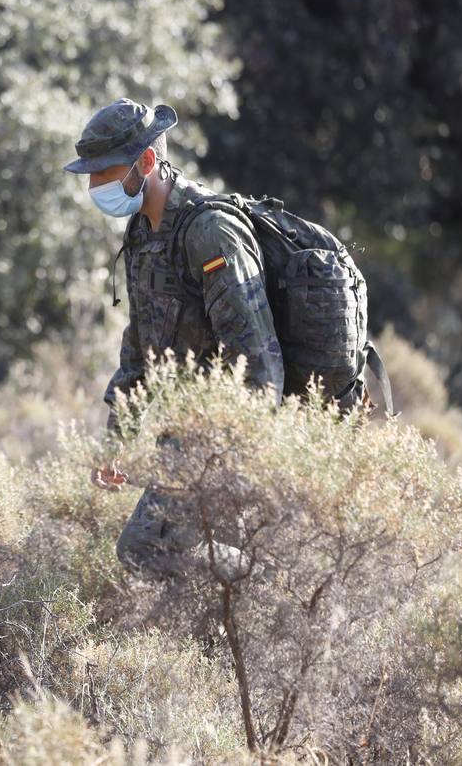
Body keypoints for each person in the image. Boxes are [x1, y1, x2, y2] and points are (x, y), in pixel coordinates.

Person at [65, 97, 283, 583]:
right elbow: (138, 354)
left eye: (104, 174)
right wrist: (115, 443)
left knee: (144, 546)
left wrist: (233, 459)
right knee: (171, 566)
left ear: (146, 162)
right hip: (184, 440)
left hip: (226, 439)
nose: (96, 187)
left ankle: (270, 585)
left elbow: (259, 360)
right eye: (91, 177)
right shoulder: (143, 234)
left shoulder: (211, 232)